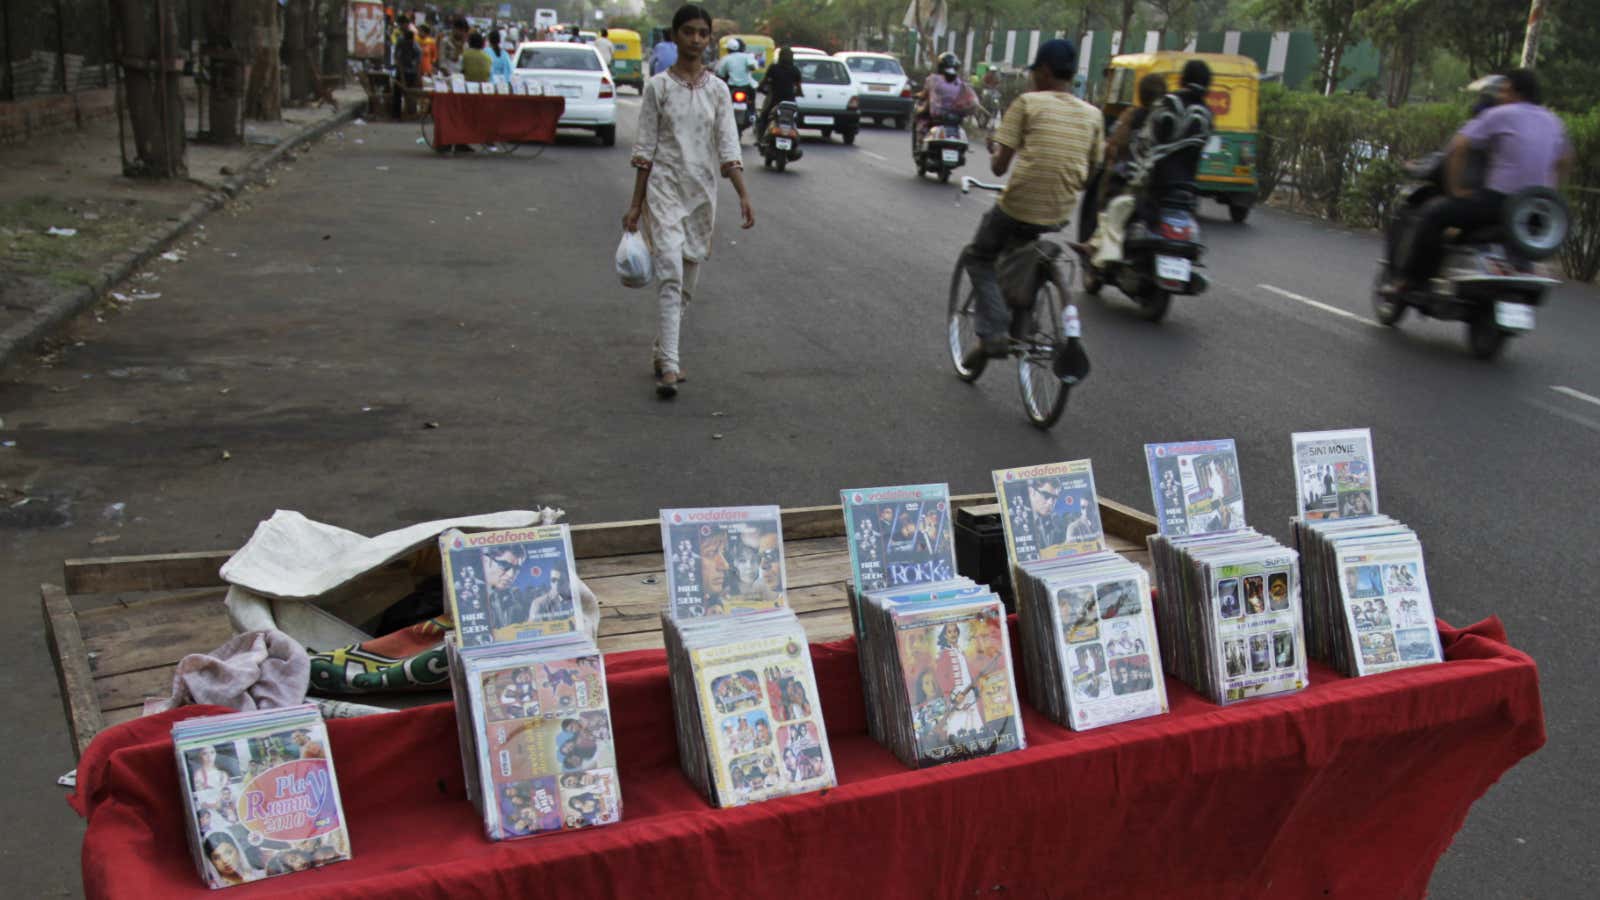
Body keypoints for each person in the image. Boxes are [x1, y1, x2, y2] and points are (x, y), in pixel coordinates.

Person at [623, 4, 755, 398]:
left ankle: (663, 349)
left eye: (702, 33)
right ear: (675, 36)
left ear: (708, 39)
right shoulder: (658, 88)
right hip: (663, 191)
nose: (696, 39)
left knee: (687, 285)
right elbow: (645, 148)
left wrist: (743, 195)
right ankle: (671, 366)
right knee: (670, 275)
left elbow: (728, 146)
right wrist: (635, 204)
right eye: (688, 32)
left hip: (701, 196)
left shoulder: (717, 91)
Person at [958, 39, 1102, 369]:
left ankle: (993, 333)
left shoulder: (1027, 103)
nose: (1033, 77)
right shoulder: (1093, 115)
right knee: (1026, 249)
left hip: (1019, 205)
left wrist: (995, 148)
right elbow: (1092, 170)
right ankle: (1019, 319)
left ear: (1047, 71)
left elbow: (998, 168)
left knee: (978, 256)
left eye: (1035, 70)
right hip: (1061, 209)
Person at [1389, 68, 1571, 294]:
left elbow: (1458, 146)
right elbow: (1564, 160)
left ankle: (1412, 281)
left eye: (1504, 91)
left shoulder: (1501, 114)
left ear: (1516, 92)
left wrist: (1456, 189)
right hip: (1534, 211)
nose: (1501, 96)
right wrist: (1551, 193)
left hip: (1497, 204)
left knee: (1433, 214)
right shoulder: (1554, 121)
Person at [1086, 60, 1212, 267]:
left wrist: (1133, 170)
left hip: (1155, 182)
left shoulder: (1169, 104)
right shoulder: (1207, 113)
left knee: (1117, 205)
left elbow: (1145, 143)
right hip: (1187, 188)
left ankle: (1098, 248)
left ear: (1182, 79)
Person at [1083, 73, 1165, 250]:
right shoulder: (1168, 119)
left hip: (1130, 183)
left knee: (1102, 195)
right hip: (1160, 186)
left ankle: (1094, 244)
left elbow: (1113, 147)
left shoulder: (1131, 115)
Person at [915, 53, 978, 146]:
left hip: (937, 115)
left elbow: (924, 94)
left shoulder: (933, 79)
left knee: (919, 115)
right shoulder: (960, 83)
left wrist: (916, 95)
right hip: (956, 117)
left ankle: (920, 141)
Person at [756, 46, 803, 137]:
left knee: (764, 116)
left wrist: (760, 88)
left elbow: (764, 81)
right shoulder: (795, 70)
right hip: (790, 101)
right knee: (794, 119)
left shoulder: (773, 68)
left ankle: (761, 137)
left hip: (774, 100)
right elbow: (799, 87)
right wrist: (798, 94)